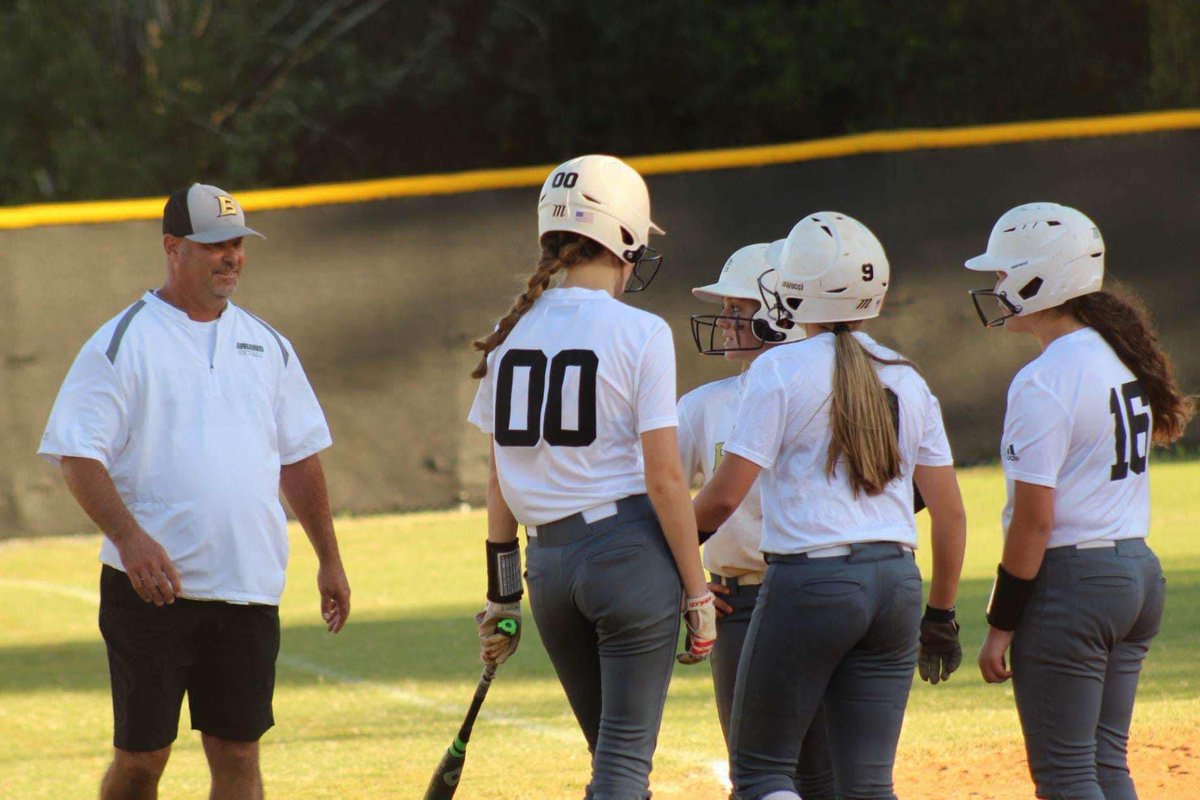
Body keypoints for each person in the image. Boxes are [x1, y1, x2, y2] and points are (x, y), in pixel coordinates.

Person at [39, 183, 350, 800]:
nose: (230, 256)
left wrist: (330, 558)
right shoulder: (122, 341)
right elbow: (78, 455)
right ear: (173, 247)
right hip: (152, 593)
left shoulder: (269, 345)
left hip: (248, 584)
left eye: (237, 243)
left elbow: (299, 459)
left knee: (237, 753)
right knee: (142, 760)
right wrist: (129, 540)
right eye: (215, 244)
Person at [693, 212, 967, 800]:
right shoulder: (906, 376)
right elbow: (950, 513)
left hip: (811, 581)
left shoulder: (779, 368)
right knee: (867, 785)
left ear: (796, 290)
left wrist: (665, 558)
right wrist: (941, 613)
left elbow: (720, 500)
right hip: (896, 582)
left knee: (764, 775)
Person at [466, 154, 715, 800]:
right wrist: (698, 593)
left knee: (611, 763)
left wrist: (503, 595)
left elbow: (499, 483)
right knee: (624, 768)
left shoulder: (509, 333)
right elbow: (664, 480)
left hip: (547, 571)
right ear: (624, 236)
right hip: (627, 555)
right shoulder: (640, 331)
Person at [967, 202, 1192, 799]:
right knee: (1104, 764)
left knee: (1066, 776)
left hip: (1074, 583)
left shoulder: (1045, 377)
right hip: (1136, 572)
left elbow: (1035, 520)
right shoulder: (1120, 350)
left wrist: (1000, 621)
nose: (995, 284)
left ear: (1038, 277)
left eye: (1003, 271)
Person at [680, 243, 833, 799]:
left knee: (824, 771)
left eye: (738, 311)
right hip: (738, 603)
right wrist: (685, 578)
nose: (723, 323)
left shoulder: (835, 387)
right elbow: (658, 496)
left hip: (817, 591)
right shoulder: (703, 405)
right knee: (758, 769)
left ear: (782, 315)